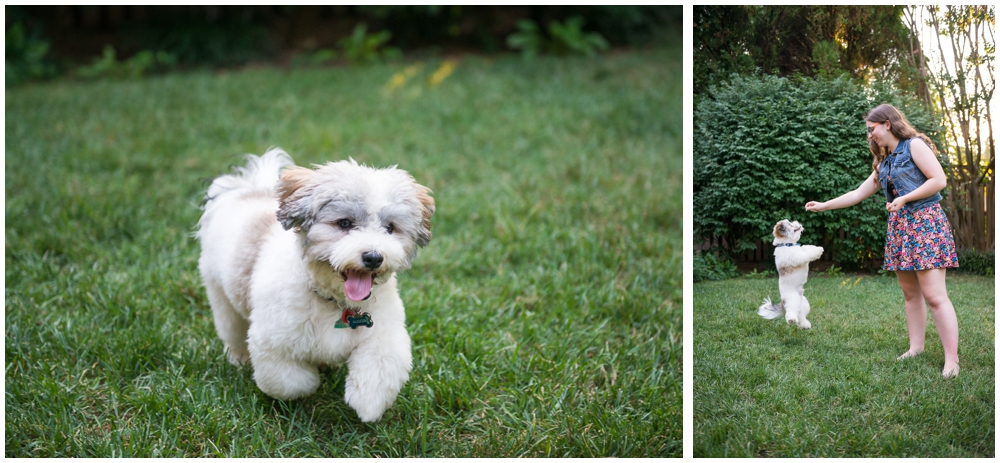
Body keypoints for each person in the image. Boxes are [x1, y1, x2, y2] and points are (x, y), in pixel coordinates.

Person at [805, 103, 960, 378]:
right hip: (901, 228)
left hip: (925, 223)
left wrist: (904, 198)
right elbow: (858, 193)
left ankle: (952, 360)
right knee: (910, 295)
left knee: (935, 296)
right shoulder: (884, 161)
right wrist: (824, 205)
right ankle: (916, 348)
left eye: (872, 129)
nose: (870, 135)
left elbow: (939, 180)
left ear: (887, 123)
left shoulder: (915, 145)